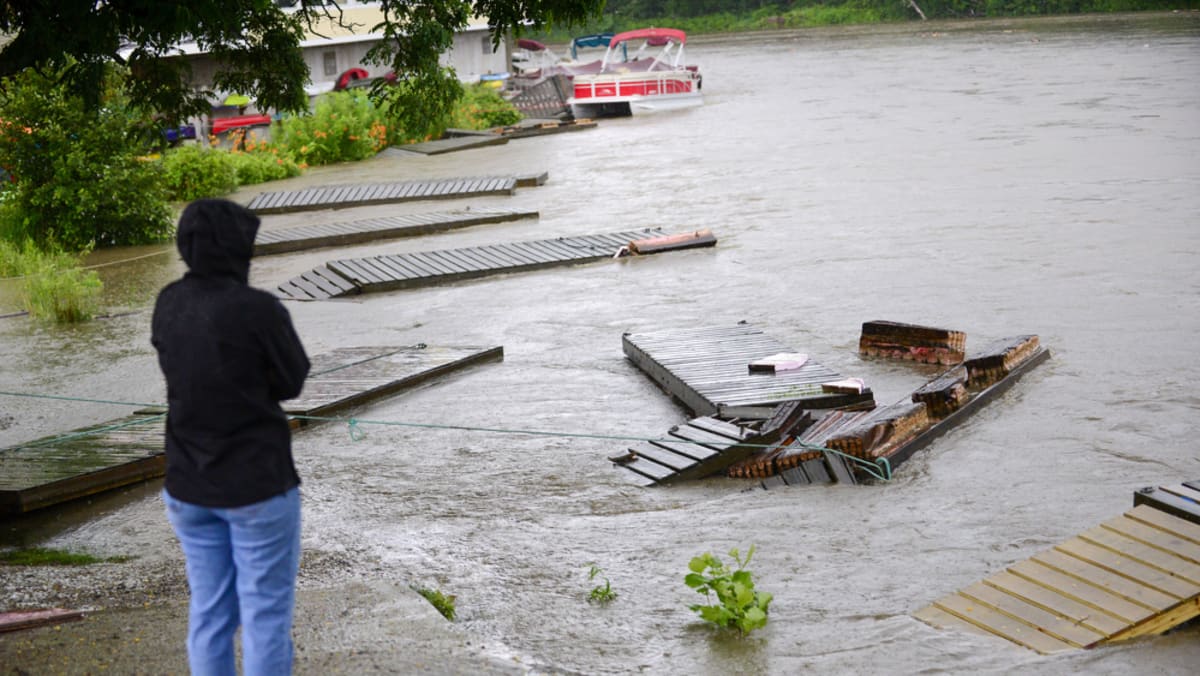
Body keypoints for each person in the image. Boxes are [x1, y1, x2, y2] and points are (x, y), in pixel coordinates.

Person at [151, 198, 311, 676]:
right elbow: (292, 381)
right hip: (258, 486)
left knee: (210, 612)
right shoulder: (258, 309)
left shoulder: (168, 302)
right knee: (265, 614)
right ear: (239, 248)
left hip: (187, 486)